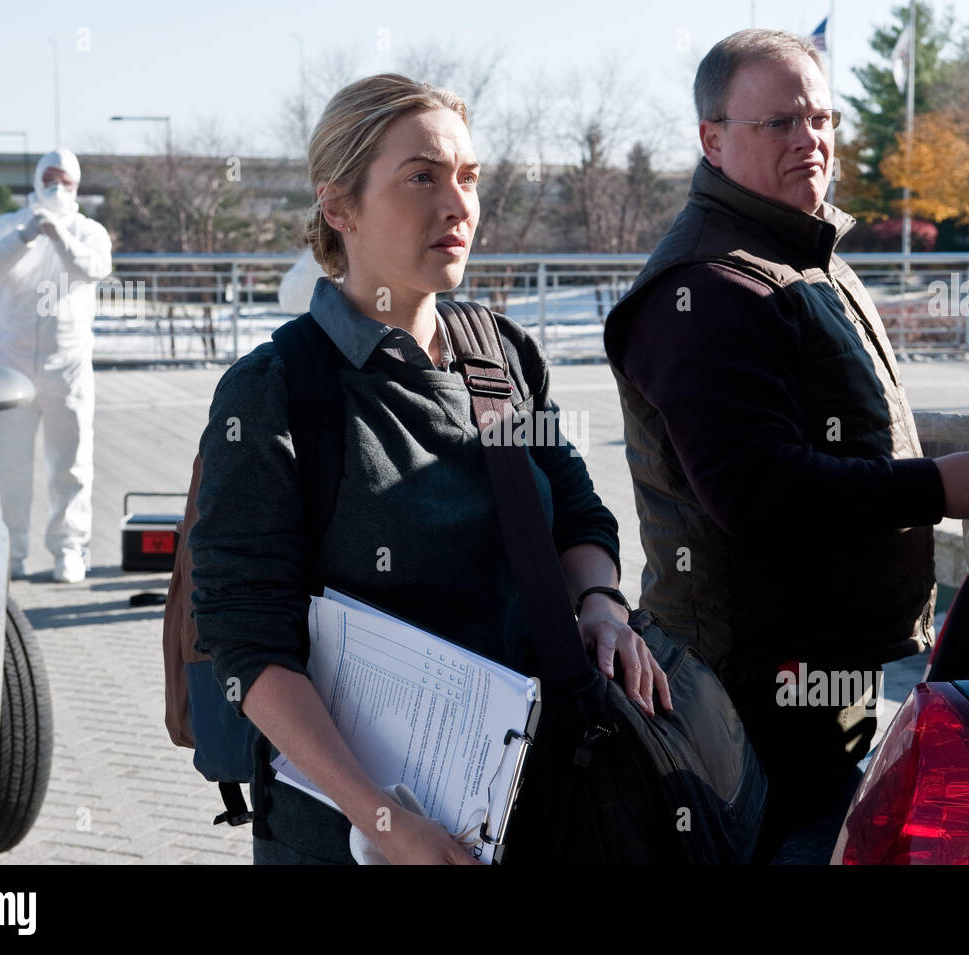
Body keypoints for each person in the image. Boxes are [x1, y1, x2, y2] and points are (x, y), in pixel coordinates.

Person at [188, 74, 672, 866]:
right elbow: (249, 644)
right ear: (338, 206)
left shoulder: (502, 354)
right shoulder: (279, 388)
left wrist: (599, 602)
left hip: (541, 805)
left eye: (469, 177)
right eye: (423, 176)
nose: (458, 204)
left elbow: (579, 513)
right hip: (354, 833)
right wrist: (381, 819)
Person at [602, 29, 969, 861]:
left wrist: (957, 455)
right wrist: (937, 486)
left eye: (823, 117)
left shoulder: (798, 253)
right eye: (781, 123)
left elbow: (833, 426)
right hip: (756, 690)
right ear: (712, 140)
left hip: (819, 669)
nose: (812, 139)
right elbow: (754, 488)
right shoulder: (708, 286)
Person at [0, 149, 112, 583]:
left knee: (71, 462)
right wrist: (26, 235)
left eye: (65, 180)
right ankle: (11, 552)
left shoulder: (88, 231)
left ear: (76, 185)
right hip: (10, 367)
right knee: (9, 464)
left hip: (68, 364)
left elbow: (96, 269)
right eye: (49, 178)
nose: (56, 187)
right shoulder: (6, 226)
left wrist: (59, 236)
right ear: (36, 180)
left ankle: (69, 549)